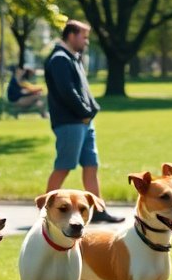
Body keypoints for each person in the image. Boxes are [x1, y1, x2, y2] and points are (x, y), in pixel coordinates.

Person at [44, 20, 121, 224]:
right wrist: (85, 112)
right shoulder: (59, 59)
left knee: (91, 165)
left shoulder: (73, 58)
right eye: (83, 37)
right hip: (70, 122)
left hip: (84, 121)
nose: (86, 42)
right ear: (71, 35)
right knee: (64, 166)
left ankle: (98, 210)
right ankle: (46, 210)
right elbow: (67, 92)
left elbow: (83, 90)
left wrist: (92, 110)